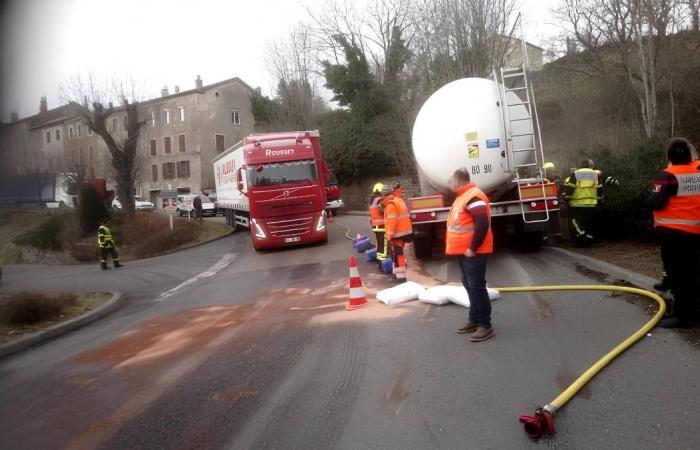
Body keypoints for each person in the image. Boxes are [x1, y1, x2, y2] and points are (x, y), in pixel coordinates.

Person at [645, 138, 700, 328]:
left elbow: (655, 202)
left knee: (679, 276)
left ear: (669, 156)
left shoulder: (668, 175)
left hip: (674, 234)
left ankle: (684, 316)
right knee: (693, 272)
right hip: (695, 232)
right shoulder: (698, 171)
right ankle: (694, 309)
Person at [445, 168, 495, 342]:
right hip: (465, 252)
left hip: (473, 252)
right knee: (468, 284)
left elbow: (482, 223)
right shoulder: (463, 196)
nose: (449, 183)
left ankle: (485, 325)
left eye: (450, 180)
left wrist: (473, 248)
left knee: (476, 286)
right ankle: (474, 320)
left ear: (458, 181)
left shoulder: (473, 196)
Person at [563, 159, 619, 246]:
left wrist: (566, 198)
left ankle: (583, 239)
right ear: (591, 166)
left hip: (577, 205)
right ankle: (590, 240)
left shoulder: (575, 174)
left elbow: (570, 189)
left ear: (579, 166)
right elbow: (599, 189)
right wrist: (600, 201)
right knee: (589, 224)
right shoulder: (595, 175)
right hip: (592, 204)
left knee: (576, 222)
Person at [382, 182, 413, 281]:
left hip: (397, 234)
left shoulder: (391, 204)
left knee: (398, 254)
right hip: (403, 232)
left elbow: (392, 220)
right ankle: (397, 274)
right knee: (397, 254)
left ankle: (401, 277)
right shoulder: (398, 200)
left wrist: (389, 235)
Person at [369, 182, 388, 260]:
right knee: (383, 243)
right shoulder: (379, 199)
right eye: (383, 189)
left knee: (380, 243)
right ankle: (382, 260)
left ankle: (379, 258)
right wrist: (388, 211)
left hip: (375, 225)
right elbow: (381, 210)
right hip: (381, 224)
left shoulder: (373, 199)